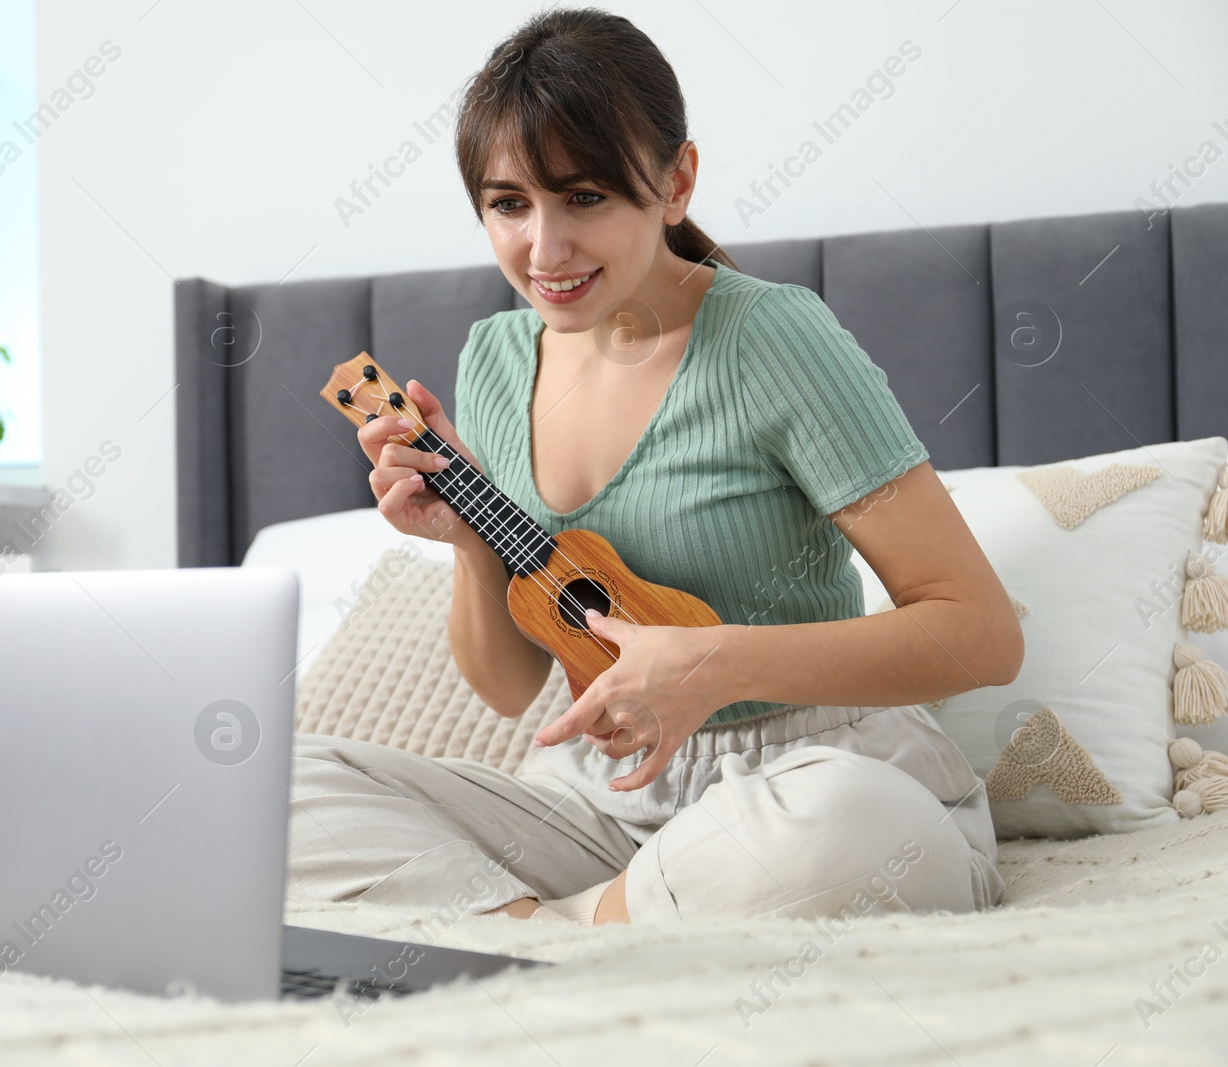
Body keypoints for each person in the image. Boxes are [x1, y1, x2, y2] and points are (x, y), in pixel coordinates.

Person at [286, 7, 1021, 925]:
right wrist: (471, 540)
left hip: (800, 778)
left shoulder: (772, 338)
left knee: (850, 828)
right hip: (598, 801)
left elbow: (983, 635)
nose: (544, 252)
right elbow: (511, 685)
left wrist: (712, 664)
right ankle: (615, 920)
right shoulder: (497, 357)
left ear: (675, 183)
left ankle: (545, 930)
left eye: (584, 197)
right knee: (276, 789)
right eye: (510, 204)